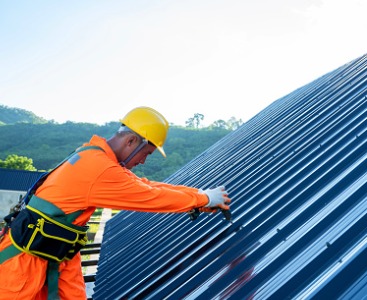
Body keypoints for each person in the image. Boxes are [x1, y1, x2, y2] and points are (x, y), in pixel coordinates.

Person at [0, 106, 231, 300]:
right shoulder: (99, 169)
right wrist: (203, 198)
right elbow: (150, 197)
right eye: (147, 153)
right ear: (131, 141)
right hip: (22, 267)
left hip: (54, 257)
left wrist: (200, 196)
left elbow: (147, 186)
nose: (143, 161)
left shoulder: (95, 157)